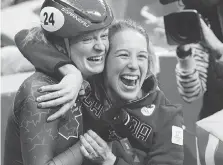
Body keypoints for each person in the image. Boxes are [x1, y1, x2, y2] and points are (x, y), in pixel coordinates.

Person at [15, 18, 184, 164]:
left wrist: (111, 161)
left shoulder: (168, 117)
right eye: (123, 55)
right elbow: (26, 37)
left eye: (141, 56)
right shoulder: (88, 81)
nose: (133, 65)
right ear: (104, 59)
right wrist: (71, 73)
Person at [4, 0, 114, 165]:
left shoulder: (96, 73)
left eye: (104, 36)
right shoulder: (42, 91)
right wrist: (100, 138)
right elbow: (25, 37)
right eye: (87, 39)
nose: (100, 47)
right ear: (60, 46)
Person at [175, 2, 223, 120]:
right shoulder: (202, 19)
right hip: (213, 124)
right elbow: (191, 93)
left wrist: (217, 47)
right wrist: (185, 52)